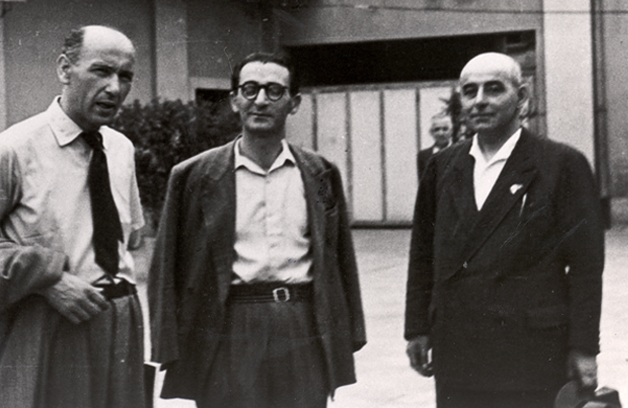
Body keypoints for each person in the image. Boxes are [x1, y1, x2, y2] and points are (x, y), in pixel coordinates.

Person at [0, 25, 147, 408]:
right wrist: (45, 279)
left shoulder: (121, 150)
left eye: (125, 76)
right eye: (101, 71)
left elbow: (130, 242)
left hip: (116, 326)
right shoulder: (12, 148)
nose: (115, 88)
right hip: (44, 326)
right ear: (65, 69)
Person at [149, 52, 366, 408]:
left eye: (274, 91)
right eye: (250, 89)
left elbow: (341, 258)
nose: (261, 100)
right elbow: (165, 268)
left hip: (301, 324)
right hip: (228, 325)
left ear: (294, 103)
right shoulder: (194, 176)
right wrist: (167, 345)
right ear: (234, 100)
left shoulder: (320, 173)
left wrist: (350, 333)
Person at [404, 52, 604, 408]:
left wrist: (584, 347)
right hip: (458, 351)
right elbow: (422, 253)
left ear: (521, 97)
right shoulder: (442, 167)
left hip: (531, 353)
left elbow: (586, 268)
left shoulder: (561, 165)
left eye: (494, 89)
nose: (479, 101)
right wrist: (417, 328)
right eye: (470, 91)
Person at [417, 112, 453, 180]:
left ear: (451, 131)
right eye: (437, 129)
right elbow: (423, 183)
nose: (441, 133)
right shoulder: (423, 156)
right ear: (431, 132)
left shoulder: (460, 152)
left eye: (445, 129)